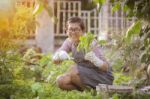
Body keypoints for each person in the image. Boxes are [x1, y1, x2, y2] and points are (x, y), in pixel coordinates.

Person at [52, 17, 114, 91]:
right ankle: (88, 91)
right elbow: (57, 56)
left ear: (83, 31)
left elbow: (105, 67)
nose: (73, 32)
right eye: (70, 29)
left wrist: (95, 59)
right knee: (61, 81)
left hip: (102, 76)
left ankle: (88, 93)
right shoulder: (69, 41)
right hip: (83, 74)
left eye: (76, 29)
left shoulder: (90, 42)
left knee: (73, 69)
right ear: (66, 31)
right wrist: (58, 56)